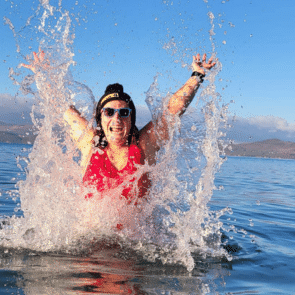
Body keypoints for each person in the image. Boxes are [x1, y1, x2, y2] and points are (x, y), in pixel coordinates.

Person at [21, 50, 216, 203]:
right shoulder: (90, 143)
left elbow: (173, 110)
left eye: (124, 113)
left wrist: (197, 75)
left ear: (131, 119)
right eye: (109, 112)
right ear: (100, 118)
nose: (116, 119)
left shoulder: (144, 145)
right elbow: (63, 108)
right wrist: (45, 77)